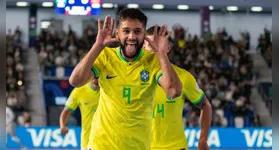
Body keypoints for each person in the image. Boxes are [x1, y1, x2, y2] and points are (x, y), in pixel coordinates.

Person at [69, 8, 182, 150]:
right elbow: (75, 81)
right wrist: (98, 45)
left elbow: (173, 91)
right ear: (117, 33)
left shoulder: (153, 61)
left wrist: (161, 53)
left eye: (137, 31)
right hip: (101, 145)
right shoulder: (106, 56)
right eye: (126, 31)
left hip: (138, 146)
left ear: (144, 35)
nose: (132, 37)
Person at [143, 26, 212, 150]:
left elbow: (205, 105)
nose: (155, 48)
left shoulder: (183, 77)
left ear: (168, 48)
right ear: (143, 48)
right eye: (150, 45)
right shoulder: (133, 74)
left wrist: (203, 141)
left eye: (159, 44)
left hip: (176, 147)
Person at [59, 79, 99, 150]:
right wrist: (62, 126)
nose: (96, 79)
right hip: (87, 140)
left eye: (98, 76)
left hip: (106, 138)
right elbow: (66, 111)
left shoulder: (108, 89)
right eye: (94, 76)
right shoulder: (79, 91)